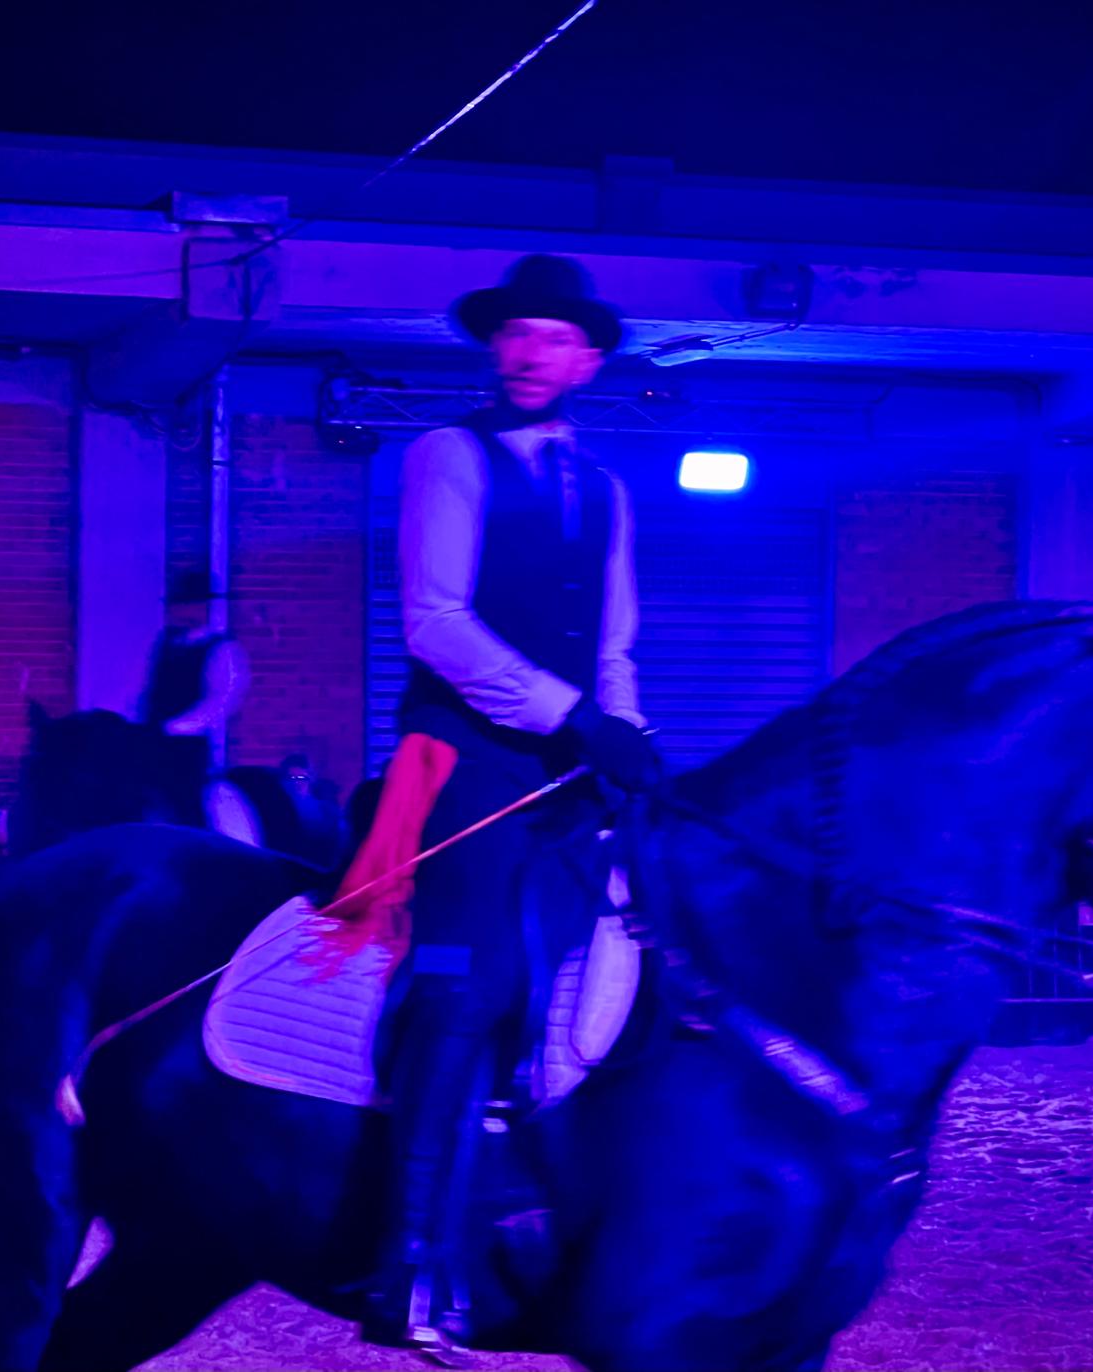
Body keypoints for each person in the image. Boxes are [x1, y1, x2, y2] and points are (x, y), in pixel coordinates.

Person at [362, 254, 659, 1353]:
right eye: (517, 333)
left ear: (588, 361)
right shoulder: (448, 455)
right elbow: (435, 620)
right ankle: (407, 1259)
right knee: (465, 982)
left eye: (554, 338)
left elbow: (614, 639)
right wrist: (568, 714)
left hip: (570, 768)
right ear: (496, 346)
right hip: (462, 764)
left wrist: (627, 735)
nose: (531, 353)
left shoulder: (607, 489)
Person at [141, 572, 250, 826]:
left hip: (187, 747)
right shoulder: (167, 643)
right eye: (180, 605)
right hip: (153, 740)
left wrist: (176, 727)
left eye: (191, 604)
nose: (184, 611)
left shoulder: (221, 648)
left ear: (205, 607)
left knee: (189, 805)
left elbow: (220, 701)